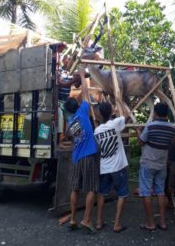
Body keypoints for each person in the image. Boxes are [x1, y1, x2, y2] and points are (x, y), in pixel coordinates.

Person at [65, 68, 100, 234]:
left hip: (76, 157)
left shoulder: (71, 122)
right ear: (77, 105)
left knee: (75, 189)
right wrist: (81, 75)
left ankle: (72, 219)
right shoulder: (83, 111)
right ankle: (86, 219)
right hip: (89, 156)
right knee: (92, 188)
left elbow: (67, 137)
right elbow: (86, 92)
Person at [137, 103, 175, 231]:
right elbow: (172, 143)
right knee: (160, 192)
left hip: (148, 163)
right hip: (162, 164)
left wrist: (138, 131)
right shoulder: (171, 128)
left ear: (156, 113)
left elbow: (140, 142)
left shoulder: (150, 126)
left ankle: (150, 223)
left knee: (146, 192)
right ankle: (163, 223)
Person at [94, 102, 129, 233]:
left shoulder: (96, 130)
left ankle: (98, 222)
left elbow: (99, 147)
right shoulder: (116, 123)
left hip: (105, 167)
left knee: (102, 193)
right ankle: (117, 224)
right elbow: (127, 116)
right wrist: (120, 102)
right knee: (122, 194)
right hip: (118, 166)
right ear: (110, 112)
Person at [57, 53, 80, 138]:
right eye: (68, 59)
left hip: (66, 102)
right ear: (63, 60)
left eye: (71, 59)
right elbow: (60, 83)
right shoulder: (59, 70)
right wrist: (73, 81)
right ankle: (58, 143)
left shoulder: (72, 72)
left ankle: (76, 141)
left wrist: (79, 79)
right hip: (58, 101)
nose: (69, 61)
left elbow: (77, 85)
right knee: (59, 119)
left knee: (73, 120)